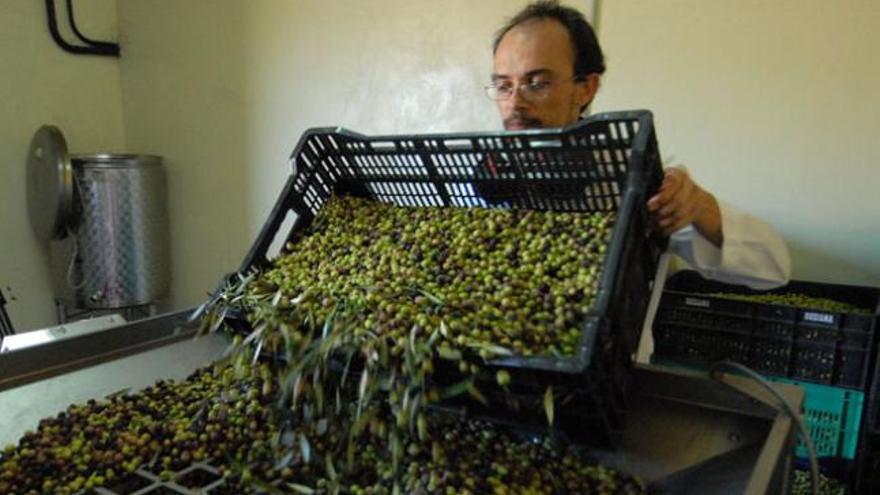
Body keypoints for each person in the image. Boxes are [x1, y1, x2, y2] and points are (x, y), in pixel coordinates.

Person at [486, 0, 790, 290]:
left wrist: (698, 206)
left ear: (585, 88)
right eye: (503, 86)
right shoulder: (482, 176)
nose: (515, 103)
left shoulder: (636, 179)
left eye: (537, 83)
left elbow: (773, 268)